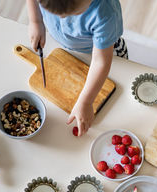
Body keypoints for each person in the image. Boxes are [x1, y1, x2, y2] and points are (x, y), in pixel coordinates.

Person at [26, 0, 127, 136]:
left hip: (106, 54)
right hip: (68, 49)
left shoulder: (106, 14)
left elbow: (101, 62)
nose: (62, 18)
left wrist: (86, 102)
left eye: (72, 14)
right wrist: (35, 21)